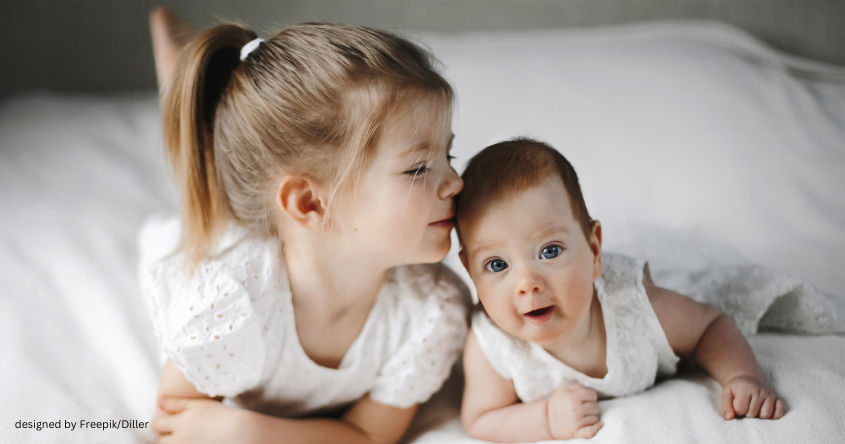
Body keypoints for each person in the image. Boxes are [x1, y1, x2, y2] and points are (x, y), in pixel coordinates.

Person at [140, 7, 469, 444]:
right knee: (198, 190)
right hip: (213, 240)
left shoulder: (430, 312)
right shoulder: (227, 299)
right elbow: (175, 420)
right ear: (311, 202)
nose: (456, 181)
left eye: (449, 156)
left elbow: (369, 437)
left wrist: (250, 430)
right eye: (417, 168)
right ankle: (176, 70)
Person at [455, 138, 785, 442]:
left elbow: (710, 327)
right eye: (497, 265)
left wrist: (743, 377)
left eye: (550, 251)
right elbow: (481, 419)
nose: (528, 284)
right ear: (471, 273)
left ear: (594, 251)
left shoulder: (636, 304)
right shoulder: (493, 345)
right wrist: (545, 419)